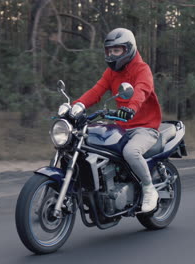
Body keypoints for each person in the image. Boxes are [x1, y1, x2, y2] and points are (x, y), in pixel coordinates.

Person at [72, 28, 162, 213]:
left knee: (131, 152)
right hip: (120, 126)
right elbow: (96, 91)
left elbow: (141, 91)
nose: (112, 54)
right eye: (109, 51)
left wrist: (130, 109)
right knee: (90, 143)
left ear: (128, 49)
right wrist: (77, 106)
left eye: (117, 50)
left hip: (144, 127)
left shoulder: (142, 69)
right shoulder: (111, 73)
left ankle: (149, 188)